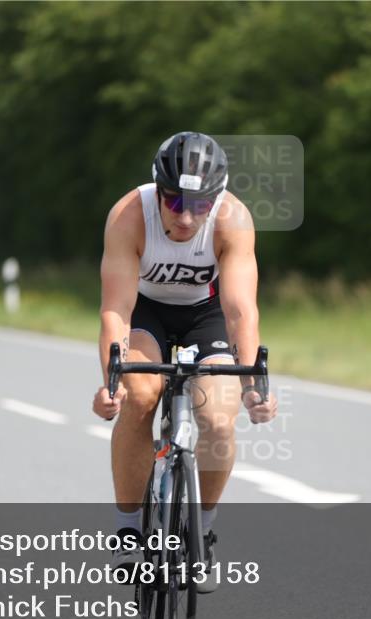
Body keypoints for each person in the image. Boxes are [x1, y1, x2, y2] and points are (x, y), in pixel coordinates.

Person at [92, 131, 278, 593]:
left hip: (206, 315)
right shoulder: (129, 215)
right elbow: (116, 308)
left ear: (216, 198)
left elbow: (239, 311)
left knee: (218, 417)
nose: (187, 215)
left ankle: (205, 531)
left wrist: (254, 381)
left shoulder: (232, 218)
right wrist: (110, 382)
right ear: (158, 189)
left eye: (200, 204)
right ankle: (128, 528)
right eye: (174, 202)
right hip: (146, 312)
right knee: (141, 393)